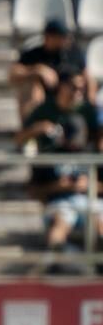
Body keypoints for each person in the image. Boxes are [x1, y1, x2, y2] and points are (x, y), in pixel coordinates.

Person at [14, 73, 103, 269]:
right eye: (72, 135)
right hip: (61, 203)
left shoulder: (92, 156)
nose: (76, 141)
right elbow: (34, 190)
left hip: (91, 201)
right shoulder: (50, 156)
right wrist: (59, 186)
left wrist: (90, 186)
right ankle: (58, 257)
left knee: (100, 222)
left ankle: (96, 265)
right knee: (60, 223)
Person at [10, 19, 89, 118]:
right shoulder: (34, 54)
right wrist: (38, 70)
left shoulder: (74, 53)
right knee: (31, 86)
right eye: (61, 37)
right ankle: (32, 122)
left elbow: (86, 76)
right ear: (48, 37)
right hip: (45, 99)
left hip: (70, 96)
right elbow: (13, 74)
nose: (65, 40)